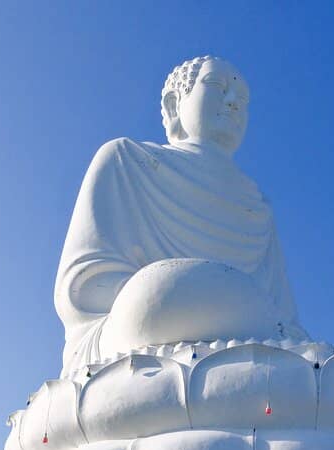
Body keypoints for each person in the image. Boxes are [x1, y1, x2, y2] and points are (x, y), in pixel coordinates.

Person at [54, 56, 307, 376]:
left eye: (243, 100)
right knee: (154, 294)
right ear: (175, 104)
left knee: (311, 358)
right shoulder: (127, 160)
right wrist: (176, 292)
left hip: (252, 343)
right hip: (140, 335)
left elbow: (282, 317)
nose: (233, 104)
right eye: (218, 87)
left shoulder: (257, 204)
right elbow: (83, 289)